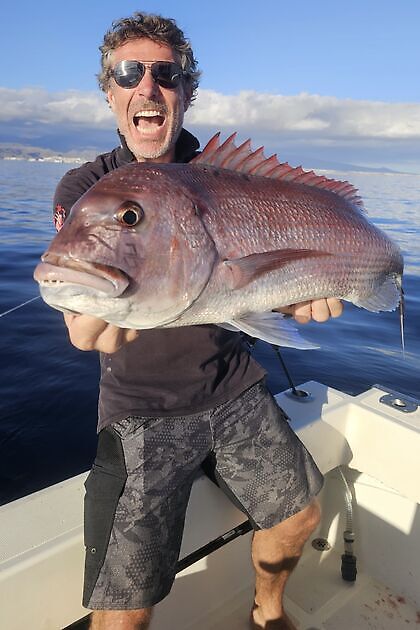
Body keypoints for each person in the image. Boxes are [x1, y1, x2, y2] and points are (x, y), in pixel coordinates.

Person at [54, 12, 343, 630]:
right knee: (124, 606)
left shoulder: (226, 177)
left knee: (300, 516)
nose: (148, 87)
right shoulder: (88, 189)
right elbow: (83, 328)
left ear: (188, 89)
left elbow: (277, 271)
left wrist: (304, 292)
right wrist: (95, 310)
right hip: (139, 407)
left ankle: (267, 612)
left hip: (234, 387)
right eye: (129, 73)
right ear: (109, 90)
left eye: (167, 73)